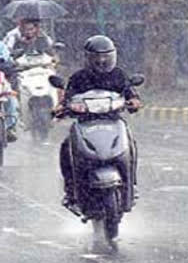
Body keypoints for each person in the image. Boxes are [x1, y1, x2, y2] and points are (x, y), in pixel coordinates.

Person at [55, 35, 142, 210]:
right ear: (88, 58)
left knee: (131, 144)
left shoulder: (118, 75)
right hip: (85, 123)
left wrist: (134, 101)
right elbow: (67, 98)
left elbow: (130, 93)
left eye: (105, 56)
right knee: (66, 148)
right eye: (97, 57)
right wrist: (61, 108)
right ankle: (71, 191)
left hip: (113, 121)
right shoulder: (78, 78)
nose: (101, 61)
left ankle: (131, 184)